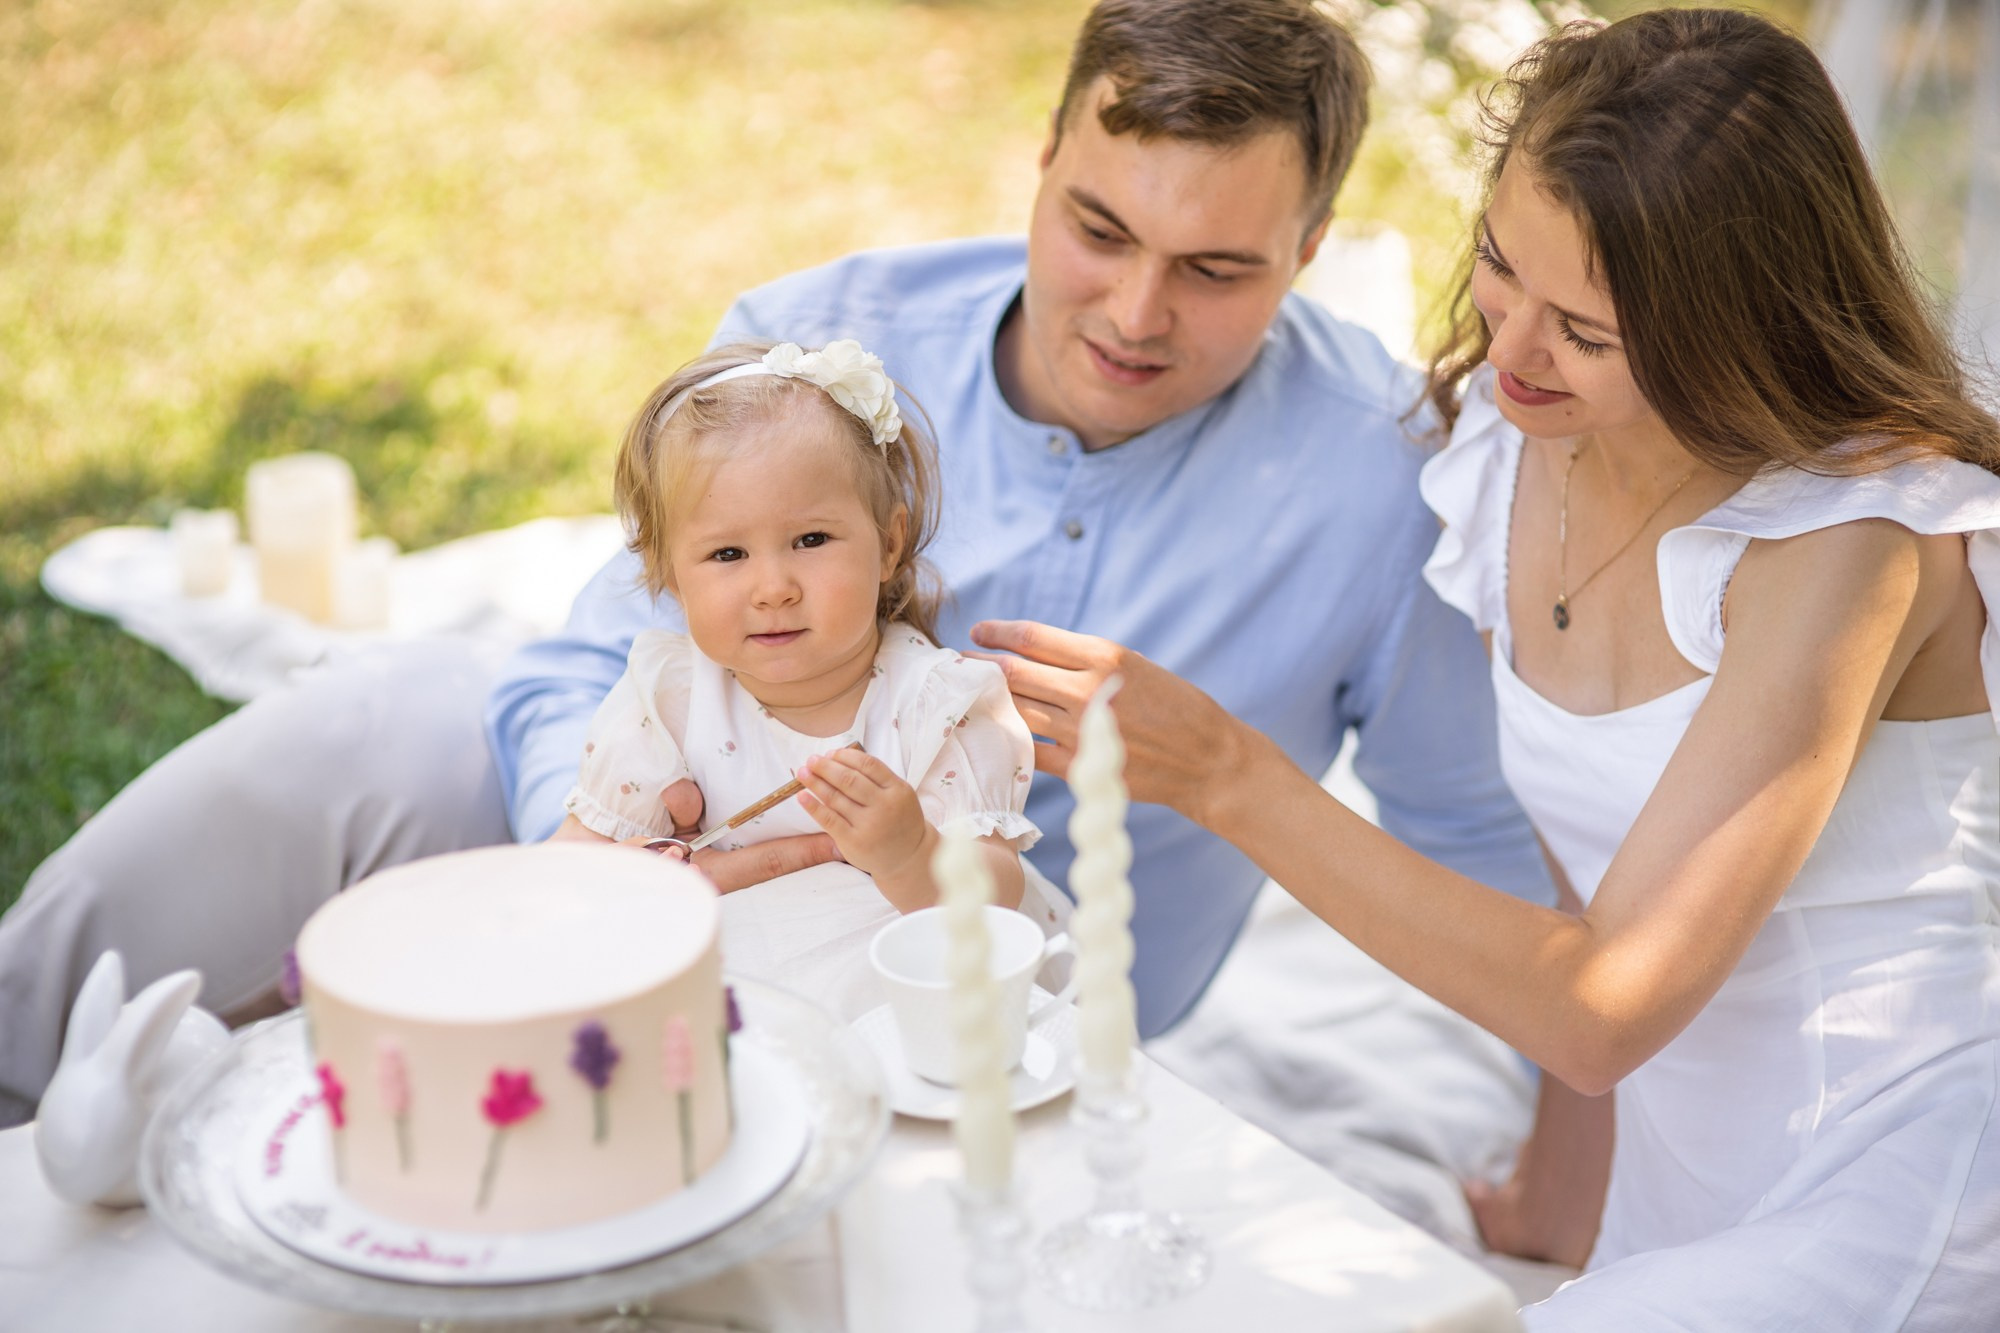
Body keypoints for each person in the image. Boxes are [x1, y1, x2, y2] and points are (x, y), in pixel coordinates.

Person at [0, 0, 1549, 1125]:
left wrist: (1568, 1173)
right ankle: (21, 1055)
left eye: (1216, 269)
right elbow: (597, 647)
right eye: (1096, 229)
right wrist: (609, 856)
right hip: (657, 858)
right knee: (382, 711)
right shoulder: (831, 334)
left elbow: (1483, 848)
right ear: (1042, 158)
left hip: (969, 1032)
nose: (1135, 314)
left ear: (1316, 238)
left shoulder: (1380, 476)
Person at [975, 10, 2000, 1327]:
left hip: (1911, 1172)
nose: (1509, 351)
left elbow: (1602, 1006)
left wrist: (1228, 774)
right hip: (1688, 1178)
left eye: (1588, 329)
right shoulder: (1503, 460)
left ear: (1737, 322)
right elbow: (1591, 859)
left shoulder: (1846, 545)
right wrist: (1559, 1206)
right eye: (1500, 268)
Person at [547, 337, 1047, 1014]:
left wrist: (912, 852)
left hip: (916, 1013)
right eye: (728, 553)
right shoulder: (667, 702)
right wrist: (622, 878)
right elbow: (570, 867)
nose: (774, 587)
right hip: (736, 1014)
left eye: (811, 540)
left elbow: (995, 906)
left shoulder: (937, 705)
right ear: (669, 575)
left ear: (888, 544)